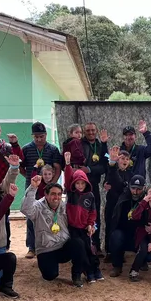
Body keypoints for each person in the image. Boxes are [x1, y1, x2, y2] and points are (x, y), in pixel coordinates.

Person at [20, 175, 90, 287]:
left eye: (59, 194)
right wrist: (33, 188)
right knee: (50, 276)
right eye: (53, 194)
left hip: (63, 246)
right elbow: (25, 209)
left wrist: (90, 225)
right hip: (46, 249)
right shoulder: (37, 207)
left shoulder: (64, 206)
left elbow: (79, 218)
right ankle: (50, 266)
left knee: (79, 243)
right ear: (46, 195)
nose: (56, 197)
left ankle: (76, 275)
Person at [20, 122, 61, 258]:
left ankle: (50, 245)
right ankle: (32, 247)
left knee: (49, 216)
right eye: (36, 136)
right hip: (33, 188)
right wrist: (30, 179)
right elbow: (21, 167)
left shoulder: (53, 149)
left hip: (48, 190)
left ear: (46, 135)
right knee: (31, 217)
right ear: (33, 136)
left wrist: (52, 185)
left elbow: (57, 168)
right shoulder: (26, 149)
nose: (38, 139)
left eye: (41, 136)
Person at [63, 161, 103, 282]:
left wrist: (90, 224)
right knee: (81, 250)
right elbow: (68, 178)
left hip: (85, 228)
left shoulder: (90, 195)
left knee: (90, 248)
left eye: (82, 183)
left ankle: (96, 269)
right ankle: (88, 272)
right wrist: (68, 164)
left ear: (86, 183)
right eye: (77, 183)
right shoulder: (71, 193)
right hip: (73, 228)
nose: (80, 185)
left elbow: (93, 212)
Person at [106, 175, 149, 278]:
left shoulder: (148, 200)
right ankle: (117, 266)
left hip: (140, 233)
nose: (135, 191)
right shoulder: (123, 198)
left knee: (147, 241)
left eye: (139, 189)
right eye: (133, 188)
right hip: (124, 233)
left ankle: (143, 260)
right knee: (116, 236)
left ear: (144, 188)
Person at [80, 122, 110, 253]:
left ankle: (96, 244)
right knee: (80, 216)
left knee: (95, 216)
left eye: (93, 130)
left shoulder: (100, 145)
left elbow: (105, 166)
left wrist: (89, 169)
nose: (91, 133)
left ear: (96, 131)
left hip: (94, 186)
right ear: (83, 132)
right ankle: (83, 245)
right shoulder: (79, 144)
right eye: (88, 131)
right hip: (79, 187)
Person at [104, 148, 134, 256]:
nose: (124, 161)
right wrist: (112, 163)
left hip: (124, 207)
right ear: (117, 160)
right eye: (122, 158)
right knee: (109, 227)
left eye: (127, 159)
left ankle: (120, 252)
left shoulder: (131, 174)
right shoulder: (112, 170)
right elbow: (108, 181)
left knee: (121, 228)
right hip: (112, 205)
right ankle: (109, 252)